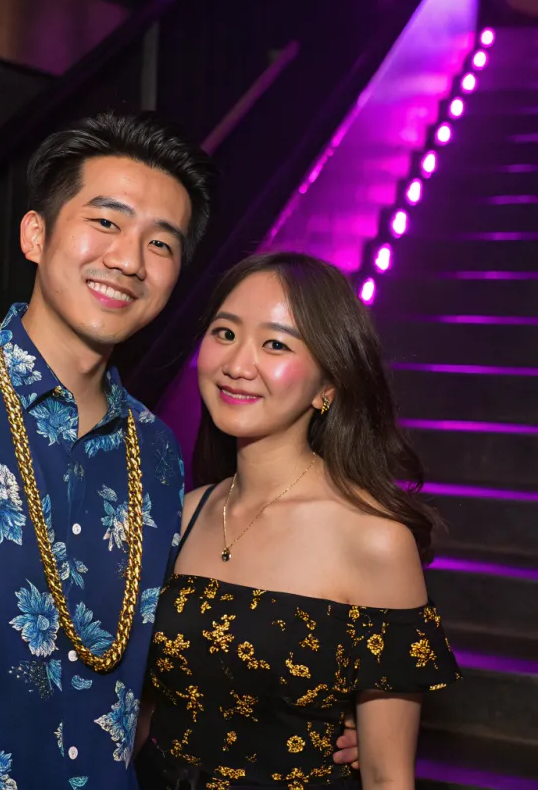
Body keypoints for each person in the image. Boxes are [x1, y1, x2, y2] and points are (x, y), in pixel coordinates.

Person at [0, 114, 359, 790]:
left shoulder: (159, 452)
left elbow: (153, 678)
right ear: (36, 234)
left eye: (162, 244)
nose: (128, 260)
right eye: (108, 222)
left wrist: (290, 717)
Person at [136, 253, 461, 790]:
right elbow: (143, 714)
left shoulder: (374, 541)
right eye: (224, 332)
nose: (237, 364)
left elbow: (385, 776)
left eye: (276, 344)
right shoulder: (183, 514)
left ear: (327, 386)